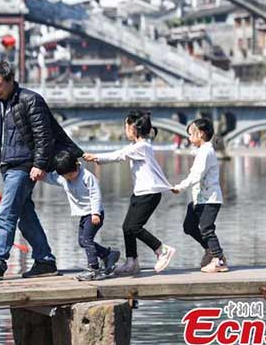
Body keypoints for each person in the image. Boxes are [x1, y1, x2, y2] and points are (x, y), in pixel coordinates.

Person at [0, 60, 84, 280]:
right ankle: (45, 261)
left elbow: (44, 136)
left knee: (6, 214)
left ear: (10, 80)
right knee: (26, 217)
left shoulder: (31, 100)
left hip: (24, 166)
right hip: (7, 164)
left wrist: (39, 164)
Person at [84, 111, 176, 277]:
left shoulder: (142, 147)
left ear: (135, 128)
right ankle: (132, 262)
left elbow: (119, 155)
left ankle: (162, 249)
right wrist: (98, 159)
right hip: (140, 193)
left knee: (134, 227)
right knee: (127, 228)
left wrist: (96, 157)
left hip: (149, 193)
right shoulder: (137, 146)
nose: (125, 130)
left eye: (126, 126)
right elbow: (120, 153)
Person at [43, 151, 120, 281]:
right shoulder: (64, 178)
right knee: (82, 241)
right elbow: (51, 178)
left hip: (94, 214)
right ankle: (108, 255)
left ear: (77, 166)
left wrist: (95, 213)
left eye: (71, 174)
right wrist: (40, 176)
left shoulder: (87, 177)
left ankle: (93, 268)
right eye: (66, 176)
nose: (69, 178)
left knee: (86, 240)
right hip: (84, 215)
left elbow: (95, 195)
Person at [171, 118, 228, 273]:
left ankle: (219, 260)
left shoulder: (206, 152)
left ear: (201, 134)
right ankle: (212, 251)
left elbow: (196, 175)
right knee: (189, 226)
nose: (189, 138)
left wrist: (179, 187)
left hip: (210, 199)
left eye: (191, 134)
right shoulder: (202, 151)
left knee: (207, 229)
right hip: (199, 199)